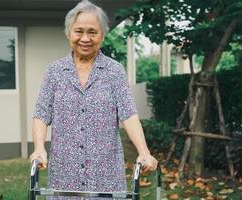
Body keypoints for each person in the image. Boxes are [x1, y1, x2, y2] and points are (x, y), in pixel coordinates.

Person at [29, 0, 158, 199]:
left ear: (103, 36)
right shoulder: (54, 72)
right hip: (65, 176)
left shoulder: (114, 71)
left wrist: (144, 152)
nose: (85, 38)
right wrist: (39, 149)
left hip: (106, 177)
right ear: (68, 33)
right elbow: (41, 114)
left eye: (92, 32)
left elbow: (129, 114)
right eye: (79, 31)